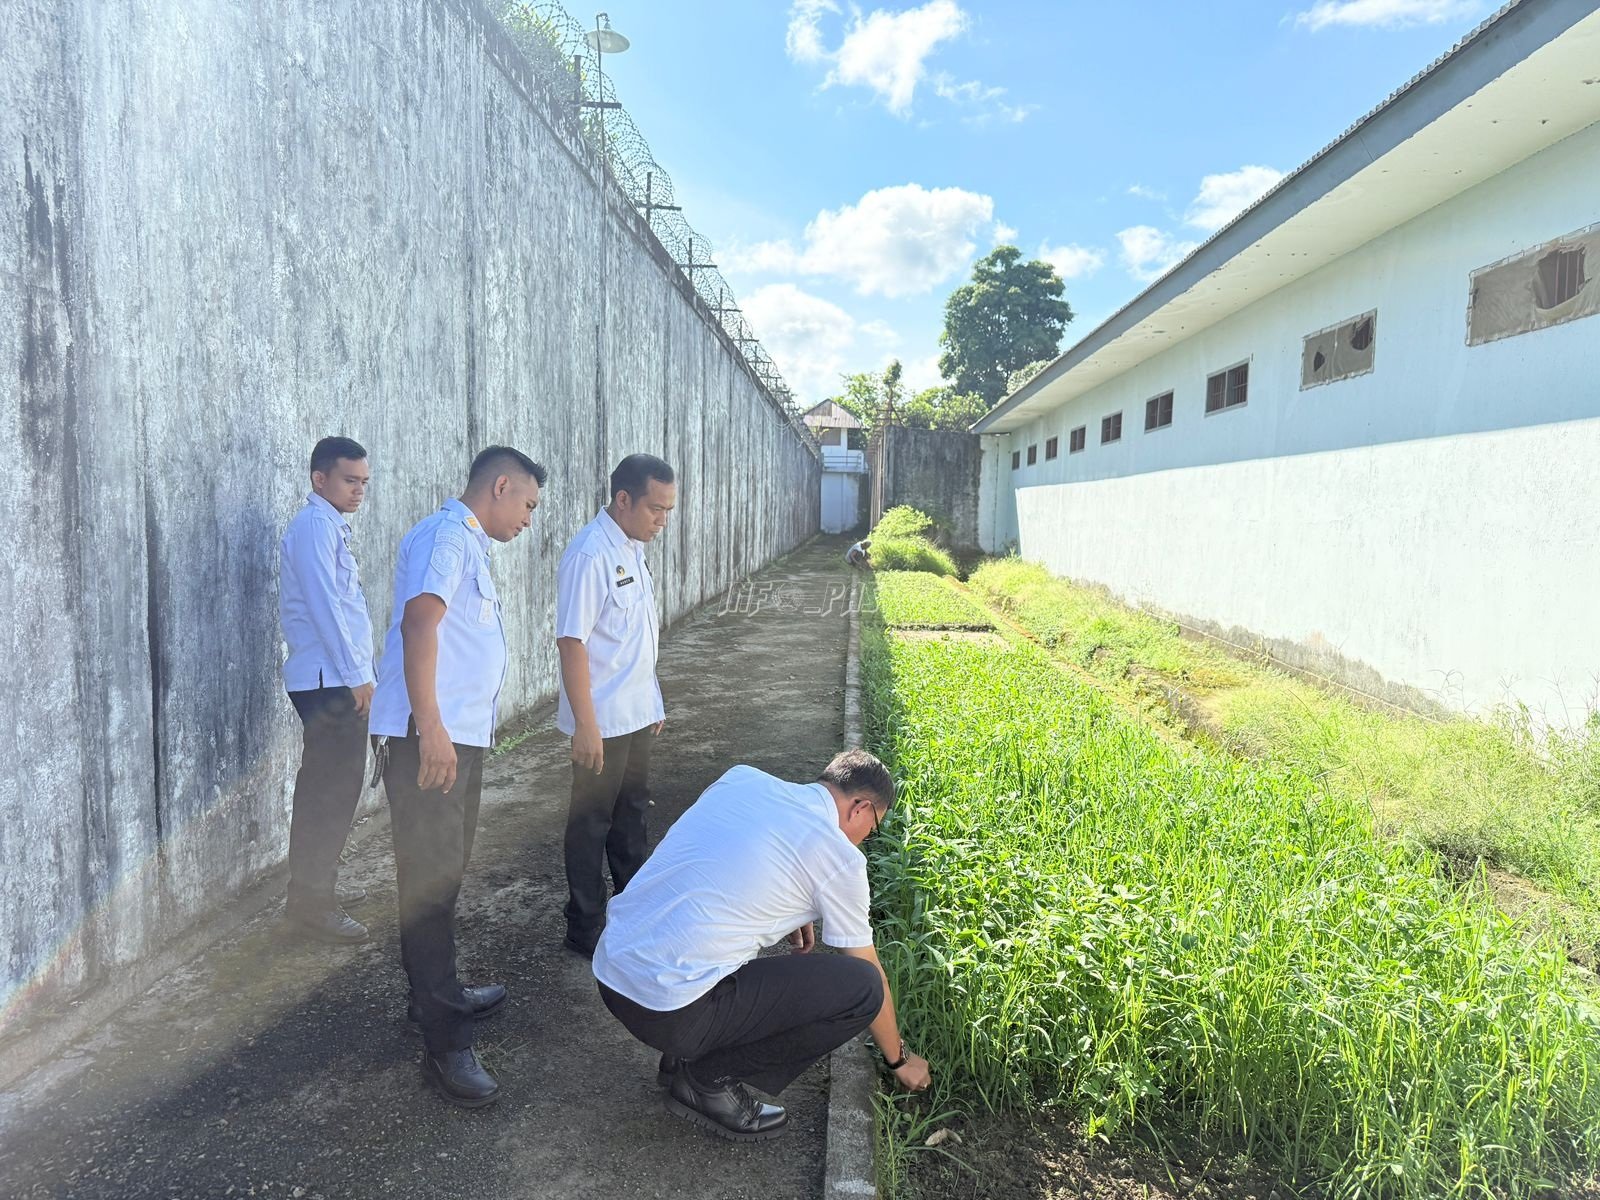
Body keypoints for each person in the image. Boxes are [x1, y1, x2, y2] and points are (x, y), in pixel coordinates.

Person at [593, 749, 932, 1142]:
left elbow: (732, 855)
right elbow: (869, 970)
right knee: (862, 988)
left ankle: (684, 1053)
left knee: (715, 928)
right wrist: (900, 1060)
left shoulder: (744, 779)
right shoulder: (840, 857)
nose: (864, 842)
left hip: (611, 971)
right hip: (667, 1011)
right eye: (872, 830)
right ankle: (705, 1079)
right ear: (860, 808)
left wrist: (799, 906)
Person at [369, 446, 546, 1107]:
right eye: (527, 503)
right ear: (500, 486)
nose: (529, 518)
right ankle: (445, 1040)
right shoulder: (447, 537)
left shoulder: (465, 543)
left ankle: (435, 994)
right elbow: (421, 623)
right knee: (429, 882)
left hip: (452, 738)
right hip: (430, 739)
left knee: (442, 877)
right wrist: (433, 729)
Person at [555, 453, 676, 958]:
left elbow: (634, 641)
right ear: (623, 499)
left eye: (669, 510)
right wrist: (586, 724)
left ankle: (632, 912)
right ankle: (585, 927)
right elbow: (572, 642)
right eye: (655, 509)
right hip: (601, 720)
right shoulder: (590, 554)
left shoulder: (630, 547)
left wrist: (654, 700)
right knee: (590, 824)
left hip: (635, 715)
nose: (662, 520)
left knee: (631, 819)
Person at [277, 436, 376, 944]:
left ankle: (316, 890)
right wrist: (358, 675)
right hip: (328, 680)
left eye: (363, 482)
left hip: (336, 677)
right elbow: (326, 609)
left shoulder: (328, 526)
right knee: (328, 795)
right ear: (320, 480)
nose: (359, 490)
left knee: (334, 791)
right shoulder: (315, 526)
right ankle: (311, 905)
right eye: (348, 480)